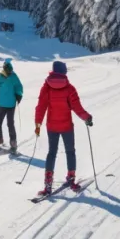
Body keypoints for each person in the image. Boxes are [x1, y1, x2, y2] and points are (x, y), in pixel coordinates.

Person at [34, 60, 93, 195]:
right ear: (63, 72)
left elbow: (41, 107)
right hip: (66, 126)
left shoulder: (46, 87)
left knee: (51, 153)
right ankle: (71, 178)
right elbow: (77, 107)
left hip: (52, 126)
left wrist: (38, 124)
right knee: (70, 151)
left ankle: (48, 184)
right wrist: (87, 118)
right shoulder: (69, 88)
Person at [0, 58, 24, 152]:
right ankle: (13, 143)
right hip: (10, 104)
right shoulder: (13, 76)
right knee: (9, 124)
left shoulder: (2, 76)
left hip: (3, 104)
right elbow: (19, 87)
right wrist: (19, 95)